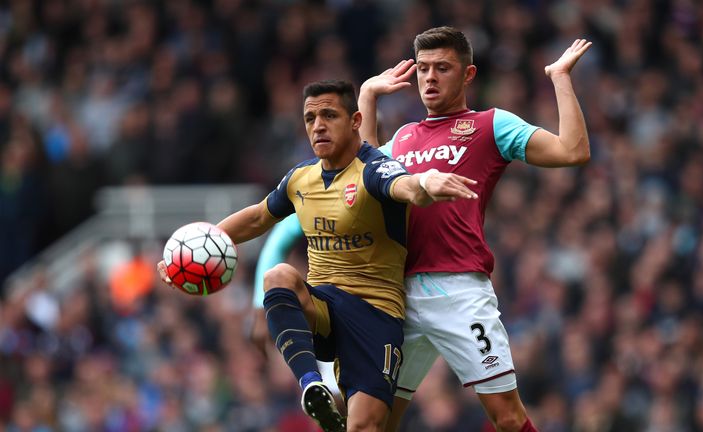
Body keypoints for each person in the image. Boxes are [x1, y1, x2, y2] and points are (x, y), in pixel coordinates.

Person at [252, 28, 591, 431]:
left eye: (442, 68)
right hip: (397, 300)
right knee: (370, 423)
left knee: (507, 417)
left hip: (459, 290)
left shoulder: (490, 124)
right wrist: (369, 95)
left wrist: (560, 78)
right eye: (424, 69)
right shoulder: (405, 138)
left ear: (468, 74)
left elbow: (573, 150)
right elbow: (363, 177)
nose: (429, 78)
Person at [158, 79, 478, 432]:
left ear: (355, 121)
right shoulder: (301, 178)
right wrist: (186, 256)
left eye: (329, 115)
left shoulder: (374, 169)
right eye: (310, 118)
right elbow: (257, 217)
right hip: (322, 304)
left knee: (365, 427)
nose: (318, 126)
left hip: (374, 313)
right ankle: (312, 384)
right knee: (277, 276)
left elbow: (406, 187)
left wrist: (426, 183)